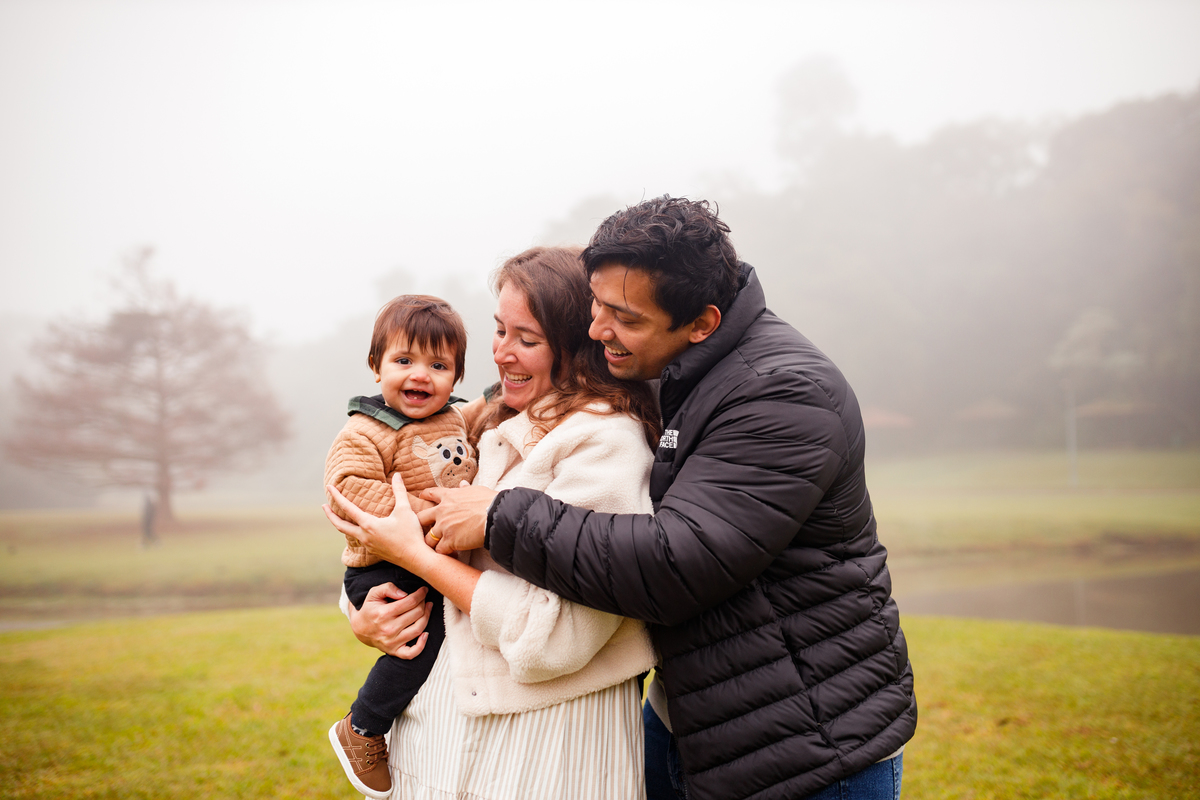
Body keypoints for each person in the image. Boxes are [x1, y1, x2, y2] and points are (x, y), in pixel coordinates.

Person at [419, 197, 918, 800]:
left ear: (702, 323)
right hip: (691, 719)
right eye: (596, 305)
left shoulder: (784, 394)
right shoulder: (666, 363)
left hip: (809, 748)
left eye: (623, 317)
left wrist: (500, 515)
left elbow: (678, 561)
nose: (598, 329)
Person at [324, 246, 663, 800]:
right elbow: (400, 548)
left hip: (547, 753)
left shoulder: (605, 444)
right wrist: (365, 614)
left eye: (526, 339)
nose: (501, 353)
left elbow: (554, 639)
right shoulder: (493, 426)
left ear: (580, 347)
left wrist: (417, 557)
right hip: (433, 739)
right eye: (499, 330)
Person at [324, 294, 479, 798]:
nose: (421, 375)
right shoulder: (366, 429)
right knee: (419, 639)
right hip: (382, 564)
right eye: (404, 360)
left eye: (439, 365)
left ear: (455, 378)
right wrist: (429, 516)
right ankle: (364, 727)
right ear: (376, 367)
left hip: (427, 555)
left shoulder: (455, 419)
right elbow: (349, 489)